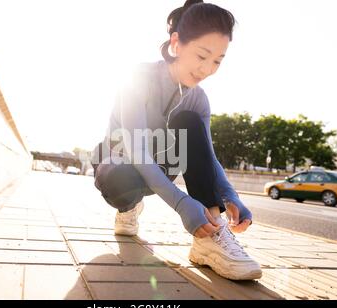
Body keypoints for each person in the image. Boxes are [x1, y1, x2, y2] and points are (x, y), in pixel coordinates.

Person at [90, 0, 261, 280]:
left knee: (189, 121)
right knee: (120, 179)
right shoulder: (138, 77)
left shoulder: (198, 98)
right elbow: (137, 151)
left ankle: (210, 236)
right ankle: (128, 207)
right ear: (176, 44)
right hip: (118, 162)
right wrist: (182, 204)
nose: (207, 69)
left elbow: (208, 155)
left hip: (162, 165)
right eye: (201, 56)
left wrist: (231, 197)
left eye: (217, 61)